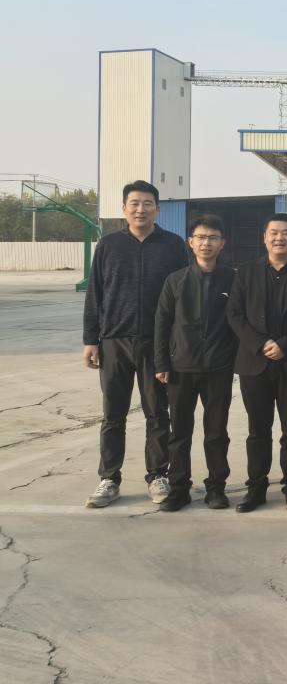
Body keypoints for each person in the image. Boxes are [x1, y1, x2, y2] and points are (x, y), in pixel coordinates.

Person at [83, 180, 190, 509]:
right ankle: (109, 478)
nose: (140, 209)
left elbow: (183, 295)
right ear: (123, 208)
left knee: (157, 412)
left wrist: (177, 341)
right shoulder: (109, 245)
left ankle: (157, 474)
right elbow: (95, 292)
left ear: (157, 209)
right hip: (114, 340)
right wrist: (91, 339)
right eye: (134, 203)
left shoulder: (173, 245)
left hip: (156, 343)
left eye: (147, 204)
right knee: (113, 414)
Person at [226, 213, 287, 513]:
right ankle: (256, 487)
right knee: (258, 430)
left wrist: (285, 345)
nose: (280, 238)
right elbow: (234, 314)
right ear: (264, 237)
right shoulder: (246, 272)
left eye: (286, 233)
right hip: (255, 363)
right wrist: (260, 344)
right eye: (274, 233)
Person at [152, 214, 237, 512]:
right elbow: (162, 323)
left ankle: (216, 487)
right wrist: (161, 363)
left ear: (222, 243)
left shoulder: (232, 279)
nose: (206, 243)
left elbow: (239, 320)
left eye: (213, 237)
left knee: (216, 432)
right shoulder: (175, 281)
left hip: (218, 368)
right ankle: (179, 488)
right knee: (179, 433)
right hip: (181, 368)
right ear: (190, 242)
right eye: (200, 237)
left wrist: (236, 360)